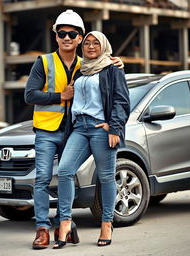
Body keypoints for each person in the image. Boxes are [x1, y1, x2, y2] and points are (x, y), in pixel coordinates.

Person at [24, 10, 124, 250]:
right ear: (56, 36)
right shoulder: (46, 62)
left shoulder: (93, 65)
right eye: (62, 33)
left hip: (82, 130)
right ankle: (44, 228)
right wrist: (61, 96)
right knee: (46, 178)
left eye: (73, 34)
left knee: (97, 175)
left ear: (78, 37)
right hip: (51, 130)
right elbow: (29, 94)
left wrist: (115, 126)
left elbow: (118, 96)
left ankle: (76, 225)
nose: (67, 37)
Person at [53, 31, 130, 249]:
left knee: (106, 177)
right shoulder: (80, 71)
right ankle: (66, 223)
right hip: (79, 128)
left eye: (96, 42)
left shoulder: (113, 69)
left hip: (101, 129)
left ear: (104, 45)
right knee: (65, 170)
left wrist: (113, 127)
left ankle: (107, 223)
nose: (91, 46)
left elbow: (121, 100)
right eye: (87, 43)